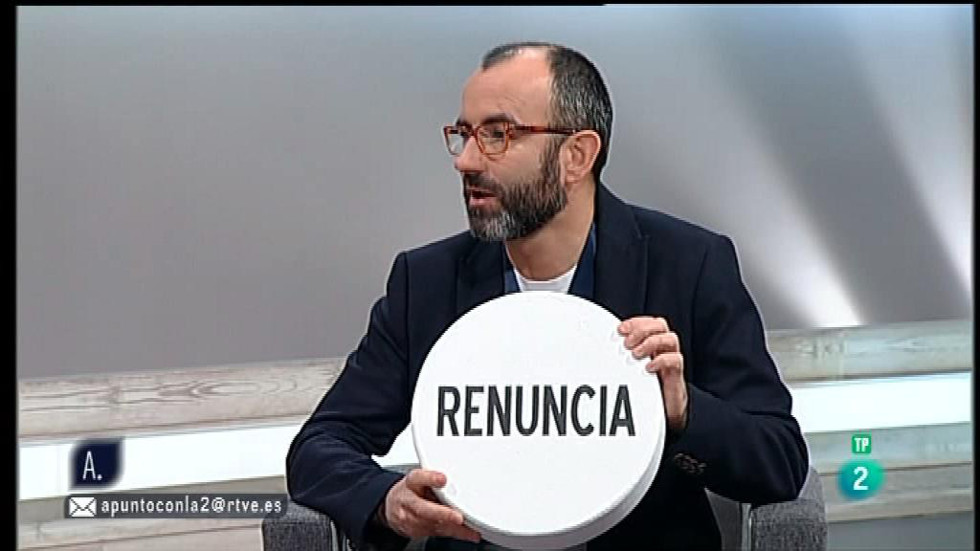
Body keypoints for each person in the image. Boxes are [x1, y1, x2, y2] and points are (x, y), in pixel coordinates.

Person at [287, 41, 809, 551]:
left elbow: (779, 461)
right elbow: (319, 448)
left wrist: (682, 411)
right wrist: (388, 501)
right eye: (464, 134)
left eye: (498, 135)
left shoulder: (689, 264)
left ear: (576, 155)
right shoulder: (426, 282)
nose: (466, 161)